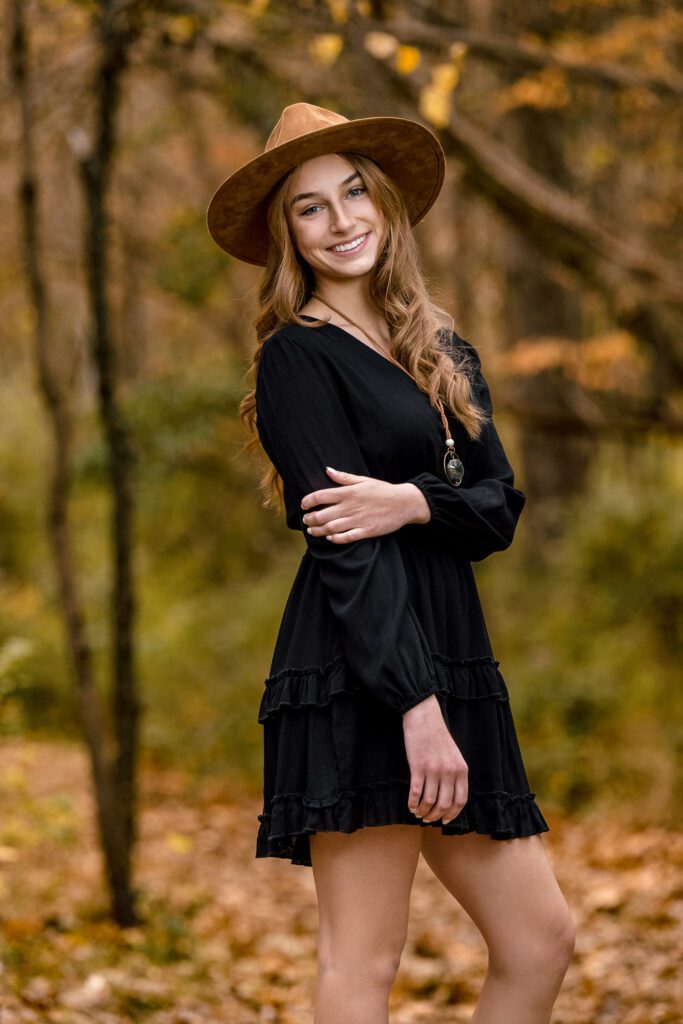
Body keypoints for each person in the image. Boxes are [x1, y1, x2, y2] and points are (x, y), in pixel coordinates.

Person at [207, 102, 575, 1024]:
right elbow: (345, 545)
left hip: (455, 652)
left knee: (538, 942)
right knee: (362, 956)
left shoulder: (441, 351)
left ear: (387, 206)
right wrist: (414, 706)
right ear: (287, 235)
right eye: (311, 208)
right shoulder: (298, 357)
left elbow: (497, 510)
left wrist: (412, 499)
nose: (341, 222)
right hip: (359, 663)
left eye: (355, 193)